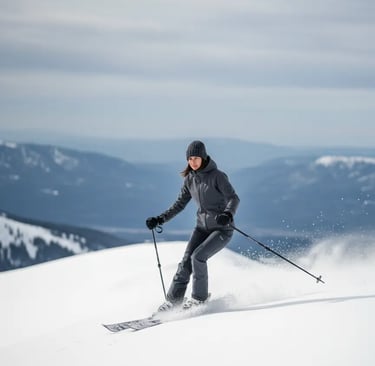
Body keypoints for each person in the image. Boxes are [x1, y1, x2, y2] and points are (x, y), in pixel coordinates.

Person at [146, 140, 240, 312]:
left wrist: (227, 214)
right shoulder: (190, 179)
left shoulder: (218, 176)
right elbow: (179, 204)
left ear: (203, 157)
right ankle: (173, 301)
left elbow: (234, 198)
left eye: (196, 158)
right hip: (202, 228)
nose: (193, 162)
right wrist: (160, 219)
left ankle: (199, 299)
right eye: (190, 159)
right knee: (185, 262)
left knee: (198, 257)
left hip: (222, 229)